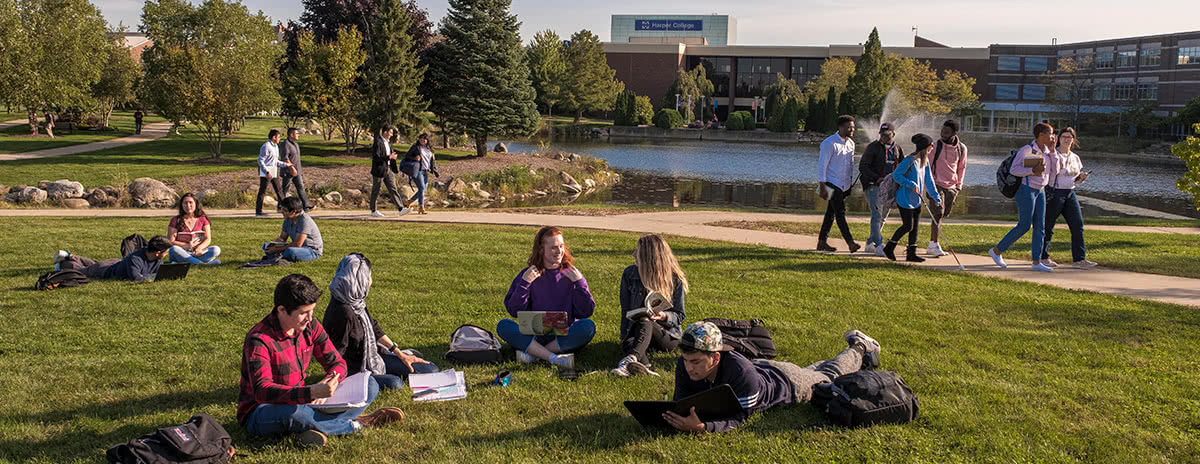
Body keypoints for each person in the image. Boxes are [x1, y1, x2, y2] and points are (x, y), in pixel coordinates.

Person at [239, 274, 404, 448]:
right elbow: (262, 391)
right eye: (303, 313)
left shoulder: (310, 326)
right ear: (281, 310)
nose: (310, 318)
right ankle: (357, 423)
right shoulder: (259, 340)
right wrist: (311, 392)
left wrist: (331, 378)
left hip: (304, 400)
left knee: (370, 384)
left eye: (312, 311)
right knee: (294, 414)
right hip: (263, 410)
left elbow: (338, 363)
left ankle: (313, 429)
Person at [664, 322, 881, 433]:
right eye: (685, 360)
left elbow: (741, 417)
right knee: (815, 372)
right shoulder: (686, 364)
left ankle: (860, 346)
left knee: (827, 375)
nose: (688, 368)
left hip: (789, 383)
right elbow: (682, 403)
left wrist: (703, 428)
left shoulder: (740, 373)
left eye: (696, 362)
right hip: (764, 369)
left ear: (716, 358)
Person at [323, 253, 439, 390]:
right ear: (360, 278)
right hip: (356, 369)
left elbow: (374, 328)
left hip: (374, 357)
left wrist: (400, 354)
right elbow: (336, 354)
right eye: (369, 276)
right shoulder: (343, 312)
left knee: (430, 370)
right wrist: (333, 380)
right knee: (395, 384)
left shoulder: (355, 300)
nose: (371, 280)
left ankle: (398, 361)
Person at [496, 226, 596, 370]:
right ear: (541, 249)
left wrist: (579, 284)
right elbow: (514, 310)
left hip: (562, 335)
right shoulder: (528, 274)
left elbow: (586, 311)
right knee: (504, 325)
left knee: (587, 327)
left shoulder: (572, 274)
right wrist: (525, 283)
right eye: (553, 248)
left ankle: (534, 354)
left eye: (561, 246)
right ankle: (553, 357)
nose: (559, 251)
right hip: (534, 333)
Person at [613, 234, 688, 377]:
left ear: (649, 258)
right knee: (632, 339)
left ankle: (630, 360)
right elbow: (625, 310)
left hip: (666, 335)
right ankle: (644, 367)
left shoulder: (674, 280)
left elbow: (680, 315)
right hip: (637, 330)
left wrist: (663, 316)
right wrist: (624, 336)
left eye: (638, 252)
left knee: (645, 321)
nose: (634, 254)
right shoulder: (630, 274)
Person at [989, 122, 1056, 272]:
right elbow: (1014, 170)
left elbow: (1055, 171)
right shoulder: (1028, 150)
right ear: (1041, 135)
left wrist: (1052, 152)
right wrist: (1032, 171)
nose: (1053, 137)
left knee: (1040, 227)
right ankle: (996, 251)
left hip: (1041, 191)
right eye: (1050, 133)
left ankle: (1036, 262)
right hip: (1026, 190)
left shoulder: (1047, 151)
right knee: (1025, 225)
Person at [1042, 127, 1097, 269]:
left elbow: (1075, 180)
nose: (1067, 139)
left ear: (1073, 140)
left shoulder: (1075, 157)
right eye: (1064, 136)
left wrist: (1081, 179)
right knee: (1048, 225)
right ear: (1059, 138)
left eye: (1070, 137)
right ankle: (1043, 257)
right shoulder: (1053, 155)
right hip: (1055, 193)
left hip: (1070, 193)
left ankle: (1079, 259)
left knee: (1077, 225)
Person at [883, 134, 942, 262]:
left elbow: (929, 181)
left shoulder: (924, 161)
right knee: (907, 226)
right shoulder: (909, 161)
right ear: (925, 147)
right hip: (904, 199)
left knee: (914, 228)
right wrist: (910, 184)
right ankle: (889, 247)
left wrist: (936, 198)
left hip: (917, 200)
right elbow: (897, 175)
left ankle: (911, 253)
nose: (932, 147)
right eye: (931, 145)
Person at [858, 123, 905, 256]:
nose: (883, 137)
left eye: (887, 135)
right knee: (877, 215)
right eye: (882, 135)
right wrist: (877, 178)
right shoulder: (873, 147)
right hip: (873, 185)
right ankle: (879, 245)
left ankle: (869, 243)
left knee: (883, 216)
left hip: (890, 187)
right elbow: (863, 167)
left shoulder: (897, 149)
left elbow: (902, 166)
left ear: (893, 134)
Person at [816, 115, 860, 253]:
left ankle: (822, 242)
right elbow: (822, 166)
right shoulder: (829, 143)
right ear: (840, 127)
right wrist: (822, 186)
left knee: (831, 213)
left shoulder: (851, 144)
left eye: (853, 127)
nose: (852, 130)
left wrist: (850, 184)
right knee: (840, 213)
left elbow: (850, 165)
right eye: (849, 127)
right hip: (831, 183)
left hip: (844, 184)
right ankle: (850, 242)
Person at [927, 120, 968, 257]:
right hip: (936, 184)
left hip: (952, 187)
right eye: (942, 131)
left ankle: (934, 243)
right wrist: (930, 185)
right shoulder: (935, 146)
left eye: (946, 132)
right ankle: (933, 244)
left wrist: (958, 186)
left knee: (943, 215)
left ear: (954, 133)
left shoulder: (962, 149)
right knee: (937, 213)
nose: (943, 134)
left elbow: (962, 167)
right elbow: (928, 166)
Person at [53, 236, 172, 282]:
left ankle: (70, 255)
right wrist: (152, 277)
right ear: (157, 253)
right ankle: (62, 265)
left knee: (94, 263)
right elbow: (136, 278)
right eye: (166, 252)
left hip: (116, 262)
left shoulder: (157, 259)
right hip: (107, 270)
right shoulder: (136, 259)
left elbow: (157, 272)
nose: (166, 255)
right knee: (84, 271)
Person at [167, 193, 221, 265]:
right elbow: (170, 241)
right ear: (182, 205)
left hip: (197, 251)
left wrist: (199, 248)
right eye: (185, 203)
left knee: (216, 250)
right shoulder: (175, 220)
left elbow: (208, 239)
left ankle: (185, 262)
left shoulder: (203, 219)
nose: (188, 205)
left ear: (196, 204)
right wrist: (187, 245)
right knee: (173, 249)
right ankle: (202, 264)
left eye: (190, 202)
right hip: (182, 251)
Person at [264, 197, 323, 262]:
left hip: (311, 250)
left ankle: (280, 255)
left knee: (290, 251)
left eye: (285, 210)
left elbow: (297, 244)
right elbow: (282, 238)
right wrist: (273, 244)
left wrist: (276, 250)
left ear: (293, 212)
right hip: (298, 248)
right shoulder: (287, 219)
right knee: (265, 246)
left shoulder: (304, 221)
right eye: (282, 209)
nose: (282, 212)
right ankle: (280, 255)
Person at [369, 126, 411, 217]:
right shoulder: (378, 142)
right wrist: (389, 157)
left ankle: (401, 208)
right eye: (390, 132)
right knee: (376, 190)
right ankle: (373, 210)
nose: (391, 135)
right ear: (385, 132)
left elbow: (390, 156)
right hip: (379, 170)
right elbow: (376, 157)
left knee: (393, 189)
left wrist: (393, 164)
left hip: (388, 169)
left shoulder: (388, 143)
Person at [256, 129, 295, 217]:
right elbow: (260, 160)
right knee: (262, 191)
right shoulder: (266, 146)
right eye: (278, 137)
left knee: (279, 191)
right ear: (274, 137)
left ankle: (285, 209)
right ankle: (258, 211)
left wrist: (286, 164)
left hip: (274, 171)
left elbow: (275, 161)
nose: (279, 139)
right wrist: (266, 171)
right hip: (267, 172)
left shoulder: (276, 147)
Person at [401, 133, 439, 215]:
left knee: (423, 189)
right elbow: (406, 157)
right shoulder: (415, 147)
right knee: (421, 188)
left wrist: (436, 171)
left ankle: (408, 202)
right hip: (417, 170)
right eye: (421, 138)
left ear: (427, 140)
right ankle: (421, 207)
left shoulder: (430, 149)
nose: (422, 140)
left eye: (424, 139)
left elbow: (432, 162)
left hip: (426, 171)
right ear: (419, 139)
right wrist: (414, 158)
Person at [280, 127, 312, 211]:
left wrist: (297, 170)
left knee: (300, 187)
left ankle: (306, 206)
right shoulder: (286, 144)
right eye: (297, 133)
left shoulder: (295, 144)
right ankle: (280, 206)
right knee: (285, 189)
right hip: (288, 171)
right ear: (291, 134)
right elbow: (285, 158)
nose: (298, 135)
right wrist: (292, 168)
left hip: (297, 171)